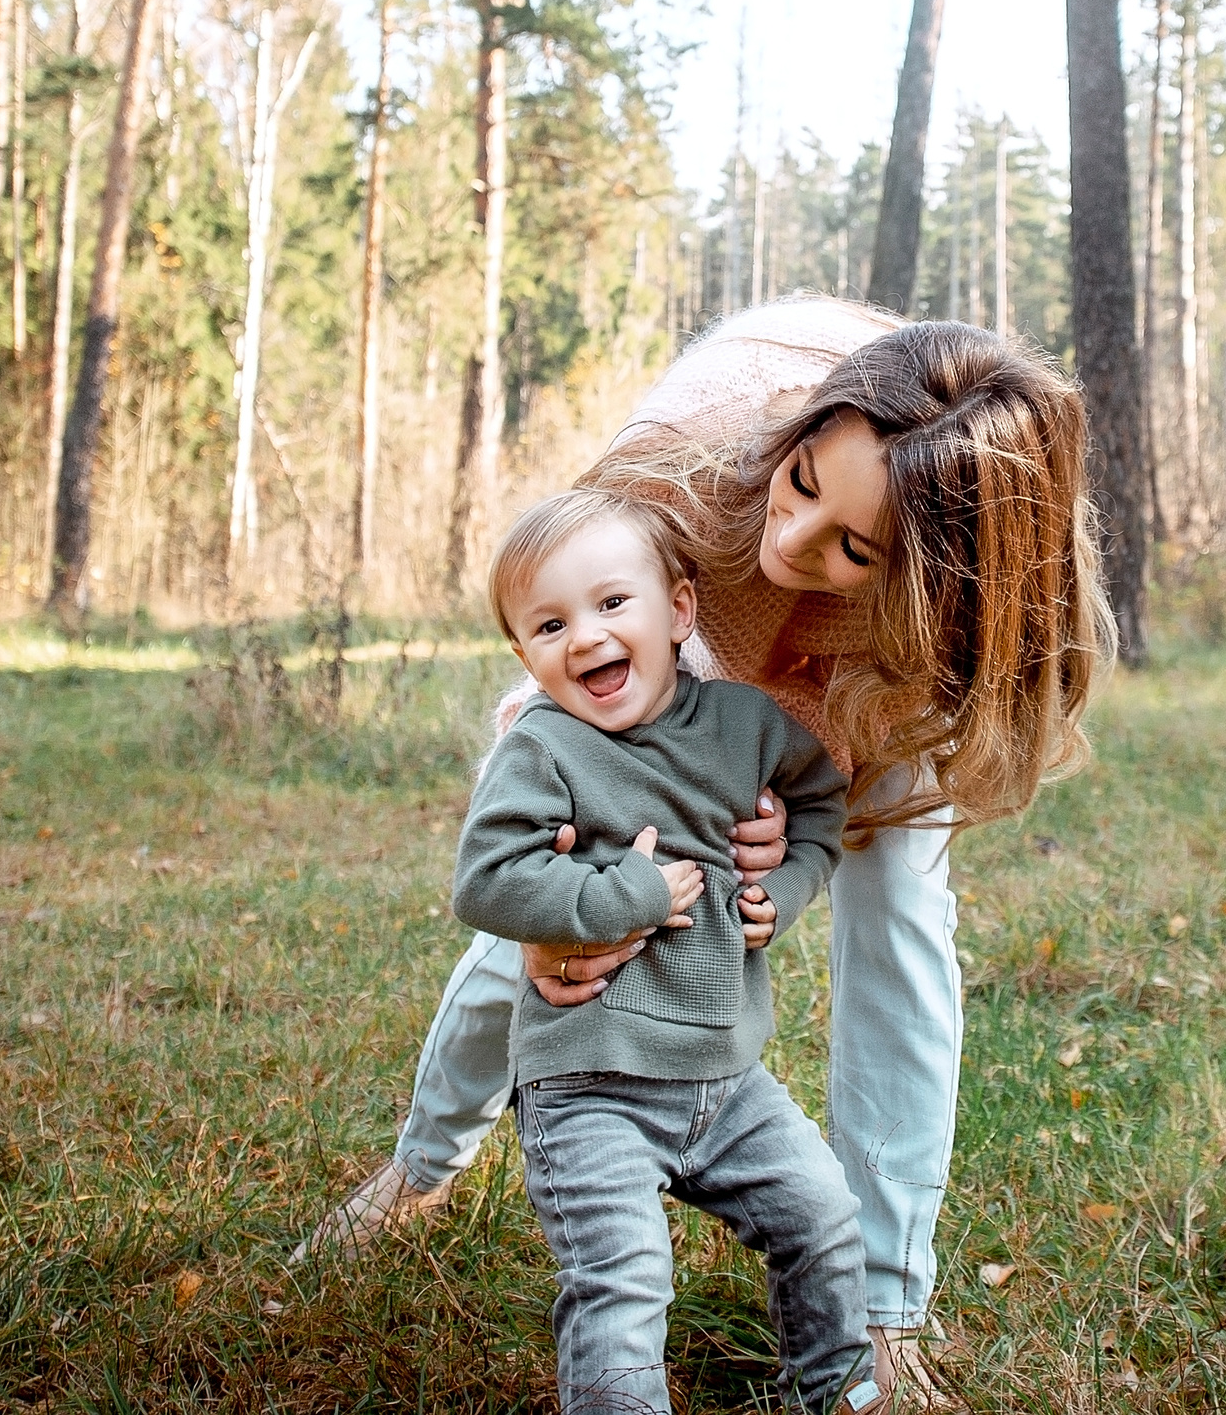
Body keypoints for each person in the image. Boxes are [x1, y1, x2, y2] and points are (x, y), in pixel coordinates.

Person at [314, 297, 1113, 1407]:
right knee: (590, 876)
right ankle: (420, 1167)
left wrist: (796, 829)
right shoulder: (688, 453)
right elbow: (558, 711)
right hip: (699, 591)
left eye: (851, 544)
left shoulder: (965, 604)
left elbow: (850, 821)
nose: (794, 543)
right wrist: (551, 914)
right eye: (802, 484)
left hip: (883, 662)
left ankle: (882, 1311)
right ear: (799, 435)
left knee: (900, 915)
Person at [454, 487, 879, 1415]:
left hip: (728, 1080)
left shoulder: (745, 726)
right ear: (525, 656)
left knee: (822, 1213)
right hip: (588, 1083)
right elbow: (484, 880)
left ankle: (838, 1391)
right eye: (550, 624)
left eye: (613, 603)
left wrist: (788, 886)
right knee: (625, 1273)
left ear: (679, 610)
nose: (586, 636)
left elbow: (820, 802)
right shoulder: (544, 748)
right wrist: (620, 897)